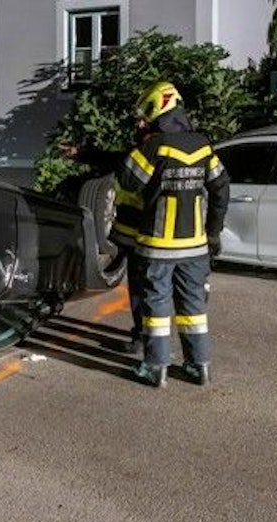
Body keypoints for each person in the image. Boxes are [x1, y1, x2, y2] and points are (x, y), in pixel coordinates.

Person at [120, 81, 229, 387]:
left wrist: (141, 140)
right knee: (193, 307)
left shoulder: (155, 146)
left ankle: (155, 368)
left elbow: (128, 180)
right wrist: (213, 233)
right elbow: (221, 188)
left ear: (156, 109)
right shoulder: (203, 145)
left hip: (157, 246)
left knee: (156, 306)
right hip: (194, 246)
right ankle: (198, 366)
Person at [59, 128, 150, 354]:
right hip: (134, 236)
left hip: (150, 237)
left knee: (150, 291)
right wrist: (81, 154)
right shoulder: (142, 152)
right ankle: (145, 337)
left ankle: (149, 343)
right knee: (141, 290)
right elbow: (114, 160)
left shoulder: (155, 153)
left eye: (144, 122)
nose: (138, 125)